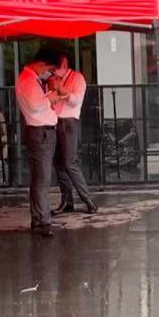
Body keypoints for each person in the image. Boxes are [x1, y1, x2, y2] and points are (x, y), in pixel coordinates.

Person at [16, 47, 62, 237]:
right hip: (40, 132)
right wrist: (51, 97)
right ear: (42, 64)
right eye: (50, 70)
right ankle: (44, 220)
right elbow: (36, 105)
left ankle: (39, 217)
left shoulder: (31, 79)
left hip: (40, 132)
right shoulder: (28, 80)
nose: (49, 74)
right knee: (42, 179)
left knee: (39, 178)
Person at [49, 54, 97, 217]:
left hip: (69, 121)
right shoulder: (52, 78)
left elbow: (76, 100)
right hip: (54, 121)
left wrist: (61, 90)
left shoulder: (77, 77)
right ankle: (67, 201)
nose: (54, 70)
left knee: (70, 162)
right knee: (58, 164)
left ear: (64, 63)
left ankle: (87, 199)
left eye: (56, 66)